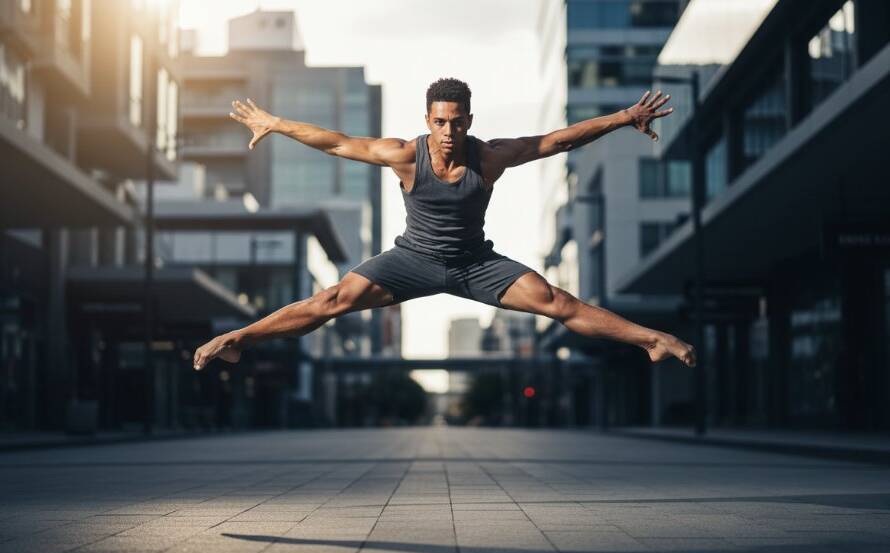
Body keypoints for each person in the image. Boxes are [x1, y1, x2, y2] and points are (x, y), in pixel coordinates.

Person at [193, 78, 696, 371]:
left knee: (558, 302)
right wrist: (277, 124)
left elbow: (555, 141)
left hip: (476, 263)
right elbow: (337, 141)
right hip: (411, 260)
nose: (448, 131)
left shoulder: (491, 157)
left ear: (469, 120)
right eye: (440, 121)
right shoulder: (405, 156)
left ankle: (651, 339)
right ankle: (240, 338)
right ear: (428, 119)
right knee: (330, 301)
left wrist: (625, 116)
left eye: (457, 121)